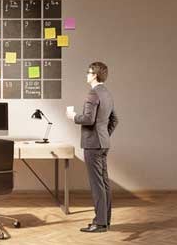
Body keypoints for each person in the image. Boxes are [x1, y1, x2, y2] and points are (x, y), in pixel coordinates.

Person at [66, 62, 118, 233]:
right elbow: (114, 120)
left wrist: (73, 116)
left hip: (93, 145)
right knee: (104, 183)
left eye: (88, 72)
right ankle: (105, 221)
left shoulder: (93, 93)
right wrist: (104, 136)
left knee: (97, 185)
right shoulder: (107, 94)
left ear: (94, 75)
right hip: (103, 144)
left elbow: (88, 119)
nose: (86, 75)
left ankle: (100, 223)